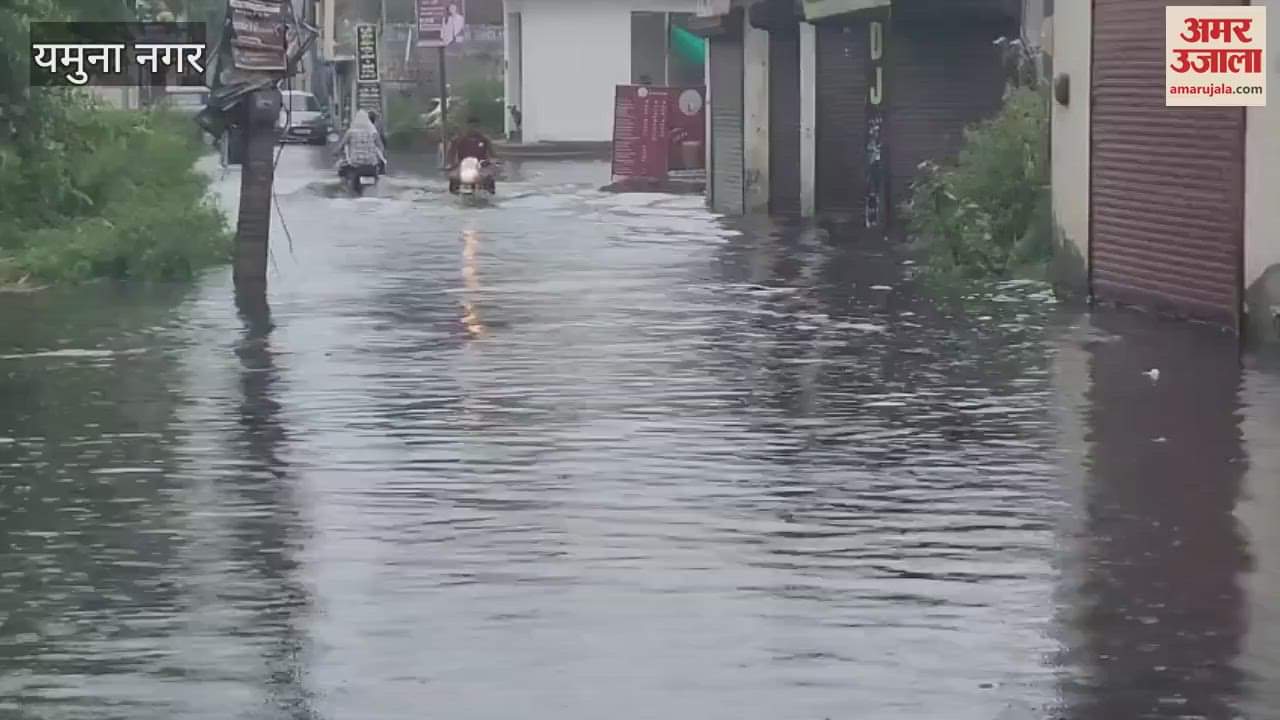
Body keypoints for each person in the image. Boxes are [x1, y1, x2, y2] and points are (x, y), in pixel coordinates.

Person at [447, 116, 496, 193]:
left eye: (476, 127)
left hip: (481, 166)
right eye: (471, 127)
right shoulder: (458, 139)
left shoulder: (485, 140)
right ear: (467, 127)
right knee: (453, 178)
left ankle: (491, 194)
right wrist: (451, 164)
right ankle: (453, 195)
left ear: (479, 127)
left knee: (489, 177)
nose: (474, 129)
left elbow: (493, 155)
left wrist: (492, 163)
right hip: (463, 166)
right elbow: (451, 153)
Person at [333, 109, 386, 178]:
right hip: (371, 163)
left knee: (341, 168)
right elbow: (381, 147)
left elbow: (341, 146)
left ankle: (345, 186)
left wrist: (335, 153)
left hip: (355, 163)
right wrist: (379, 156)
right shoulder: (373, 132)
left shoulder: (350, 132)